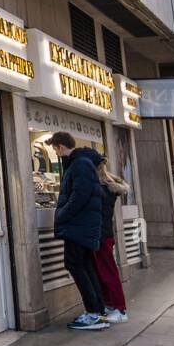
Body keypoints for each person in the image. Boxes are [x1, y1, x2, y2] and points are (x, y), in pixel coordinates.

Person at [47, 132, 108, 331]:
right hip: (82, 226)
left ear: (60, 147)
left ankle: (93, 313)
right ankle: (98, 312)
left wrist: (62, 215)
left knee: (75, 264)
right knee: (86, 266)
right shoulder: (81, 162)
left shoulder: (80, 164)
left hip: (78, 226)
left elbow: (80, 196)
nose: (56, 153)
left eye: (55, 149)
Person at [94, 161, 130, 323]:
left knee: (108, 272)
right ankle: (111, 304)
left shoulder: (100, 190)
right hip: (104, 235)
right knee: (104, 272)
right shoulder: (108, 187)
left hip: (101, 236)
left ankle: (120, 309)